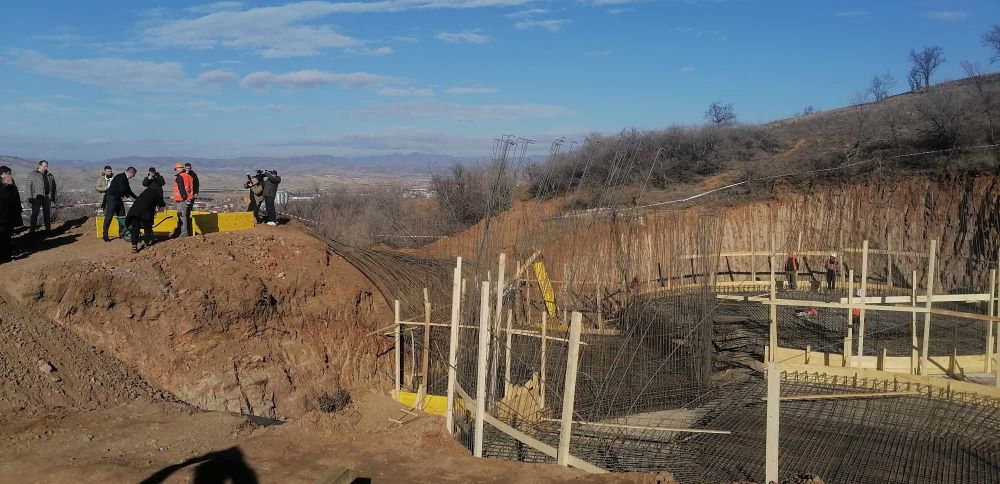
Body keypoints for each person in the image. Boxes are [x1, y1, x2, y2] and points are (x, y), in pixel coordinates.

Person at [125, 177, 166, 253]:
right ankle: (146, 243)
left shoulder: (144, 192)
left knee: (135, 229)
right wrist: (160, 203)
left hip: (134, 212)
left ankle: (134, 246)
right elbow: (162, 203)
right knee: (147, 228)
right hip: (145, 213)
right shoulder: (156, 193)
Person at [102, 167, 138, 242]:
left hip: (118, 199)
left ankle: (121, 233)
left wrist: (137, 198)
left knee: (122, 216)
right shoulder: (120, 177)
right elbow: (122, 189)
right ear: (131, 173)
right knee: (109, 216)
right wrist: (128, 197)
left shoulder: (125, 178)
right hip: (111, 198)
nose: (133, 177)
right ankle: (105, 235)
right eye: (134, 175)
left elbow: (129, 190)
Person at [0, 166, 23, 262]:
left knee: (7, 236)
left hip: (9, 217)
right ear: (2, 175)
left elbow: (15, 200)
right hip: (1, 218)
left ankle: (7, 256)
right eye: (8, 174)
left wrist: (18, 211)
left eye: (10, 173)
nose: (10, 176)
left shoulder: (11, 187)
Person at [27, 160, 56, 234]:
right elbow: (28, 186)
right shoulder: (33, 174)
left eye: (47, 166)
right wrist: (30, 197)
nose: (46, 168)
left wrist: (53, 198)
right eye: (44, 166)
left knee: (47, 214)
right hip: (37, 197)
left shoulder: (50, 175)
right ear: (39, 166)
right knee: (35, 214)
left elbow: (54, 187)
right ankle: (32, 231)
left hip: (47, 197)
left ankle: (48, 230)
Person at [172, 163, 195, 237]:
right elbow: (191, 188)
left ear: (180, 169)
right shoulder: (189, 176)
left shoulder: (180, 177)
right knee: (186, 216)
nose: (176, 171)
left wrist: (184, 198)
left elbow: (181, 189)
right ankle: (185, 231)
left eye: (176, 169)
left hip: (182, 200)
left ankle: (184, 233)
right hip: (188, 199)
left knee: (182, 216)